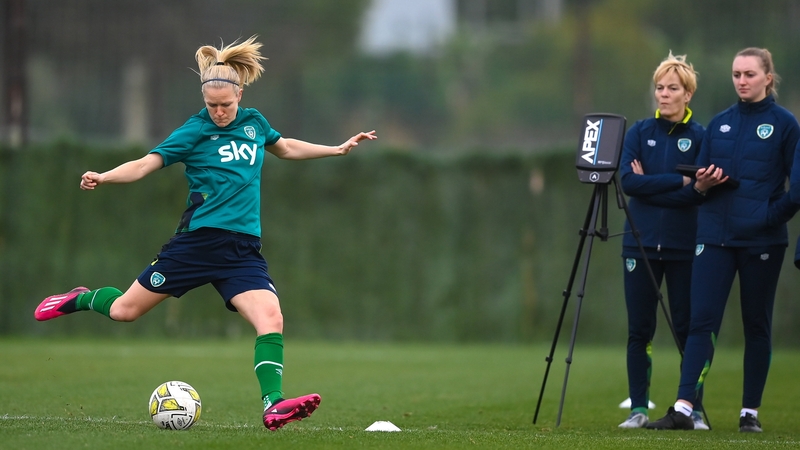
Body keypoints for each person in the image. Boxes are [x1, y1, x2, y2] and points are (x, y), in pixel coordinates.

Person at [33, 35, 377, 431]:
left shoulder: (255, 123)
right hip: (197, 244)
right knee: (124, 311)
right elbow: (145, 164)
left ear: (239, 94)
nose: (218, 112)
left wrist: (336, 149)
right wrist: (105, 176)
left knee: (271, 318)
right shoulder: (194, 131)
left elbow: (285, 148)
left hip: (243, 251)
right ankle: (81, 298)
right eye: (211, 105)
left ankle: (273, 404)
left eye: (225, 105)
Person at [647, 47, 800, 432]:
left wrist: (766, 218)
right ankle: (684, 408)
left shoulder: (785, 125)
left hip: (762, 241)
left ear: (768, 77)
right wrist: (703, 183)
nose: (742, 81)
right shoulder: (719, 124)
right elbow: (700, 180)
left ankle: (749, 413)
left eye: (749, 74)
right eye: (736, 74)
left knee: (756, 325)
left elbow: (796, 190)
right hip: (714, 234)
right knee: (702, 321)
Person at [616, 52, 716, 430]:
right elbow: (629, 183)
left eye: (672, 88)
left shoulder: (702, 137)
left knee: (689, 328)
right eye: (659, 87)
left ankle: (693, 409)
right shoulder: (639, 132)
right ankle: (638, 408)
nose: (664, 94)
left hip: (684, 246)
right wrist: (679, 181)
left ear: (687, 94)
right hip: (639, 245)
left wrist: (654, 188)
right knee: (639, 329)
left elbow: (701, 194)